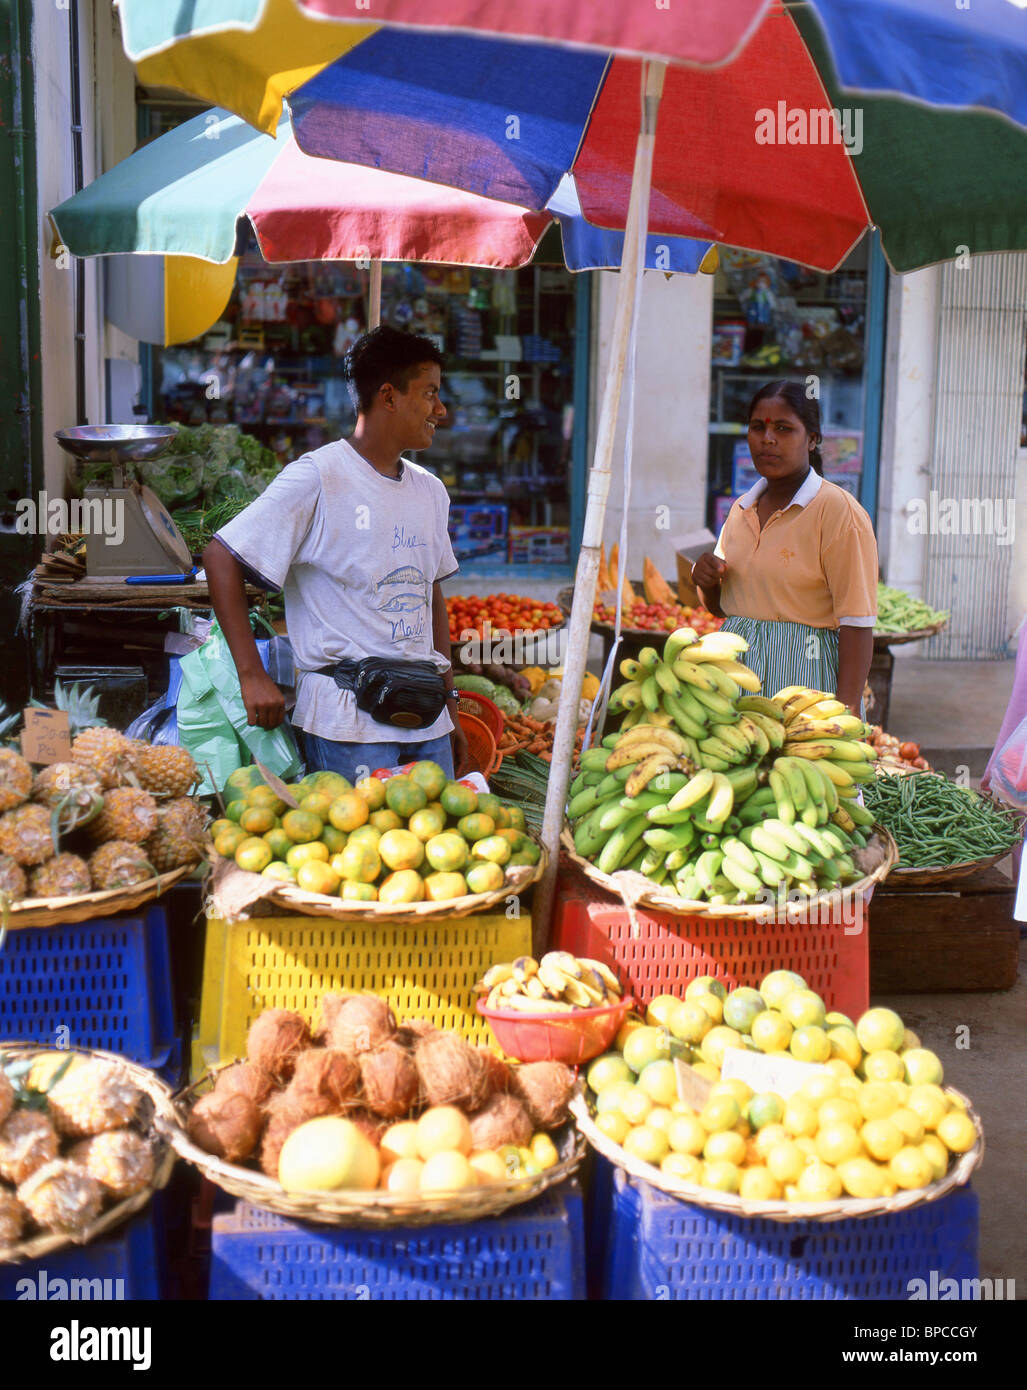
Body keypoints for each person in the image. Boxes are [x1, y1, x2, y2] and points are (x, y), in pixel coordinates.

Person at [202, 325, 472, 784]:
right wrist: (251, 674)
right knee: (359, 854)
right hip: (346, 723)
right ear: (388, 396)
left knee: (433, 853)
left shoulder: (430, 491)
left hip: (426, 717)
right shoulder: (318, 477)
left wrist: (449, 705)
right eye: (429, 394)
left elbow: (431, 596)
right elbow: (220, 555)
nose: (440, 410)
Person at [691, 381, 877, 712]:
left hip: (806, 687)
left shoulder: (837, 512)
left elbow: (858, 625)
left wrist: (844, 718)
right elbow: (725, 608)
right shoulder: (740, 510)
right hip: (735, 686)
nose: (768, 439)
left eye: (784, 428)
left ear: (813, 439)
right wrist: (707, 581)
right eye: (757, 427)